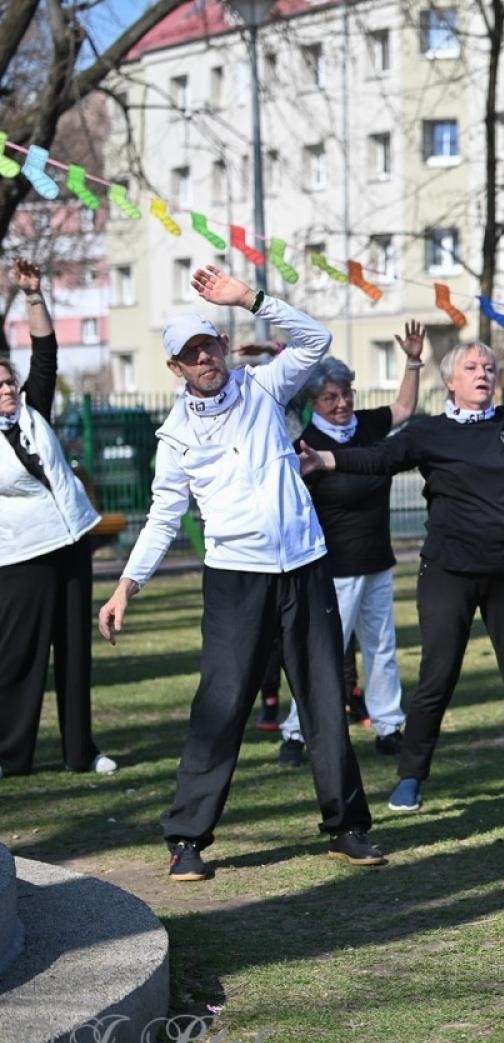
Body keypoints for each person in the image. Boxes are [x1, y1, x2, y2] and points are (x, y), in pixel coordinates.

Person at [97, 265, 385, 881]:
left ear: (223, 347)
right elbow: (162, 517)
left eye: (209, 344)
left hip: (305, 566)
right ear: (175, 368)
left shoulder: (262, 388)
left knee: (325, 700)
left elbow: (316, 340)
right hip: (235, 580)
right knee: (222, 705)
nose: (204, 358)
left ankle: (347, 828)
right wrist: (128, 584)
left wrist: (249, 298)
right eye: (190, 353)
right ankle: (187, 838)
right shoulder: (173, 436)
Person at [299, 339, 504, 814]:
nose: (482, 373)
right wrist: (327, 460)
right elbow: (381, 458)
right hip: (448, 572)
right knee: (436, 678)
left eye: (489, 366)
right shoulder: (430, 433)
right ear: (451, 381)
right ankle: (410, 778)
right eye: (471, 366)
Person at [274, 324, 424, 767]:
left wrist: (413, 360)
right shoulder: (305, 445)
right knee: (320, 653)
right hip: (331, 568)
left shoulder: (367, 426)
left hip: (376, 560)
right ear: (314, 402)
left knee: (381, 647)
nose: (341, 405)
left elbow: (404, 407)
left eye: (346, 395)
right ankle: (296, 733)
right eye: (330, 398)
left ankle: (388, 726)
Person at [0, 260, 116, 781]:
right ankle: (10, 755)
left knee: (74, 652)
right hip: (18, 555)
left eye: (7, 381)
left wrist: (33, 295)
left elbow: (45, 354)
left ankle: (81, 751)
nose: (6, 389)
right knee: (17, 658)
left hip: (71, 543)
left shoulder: (35, 413)